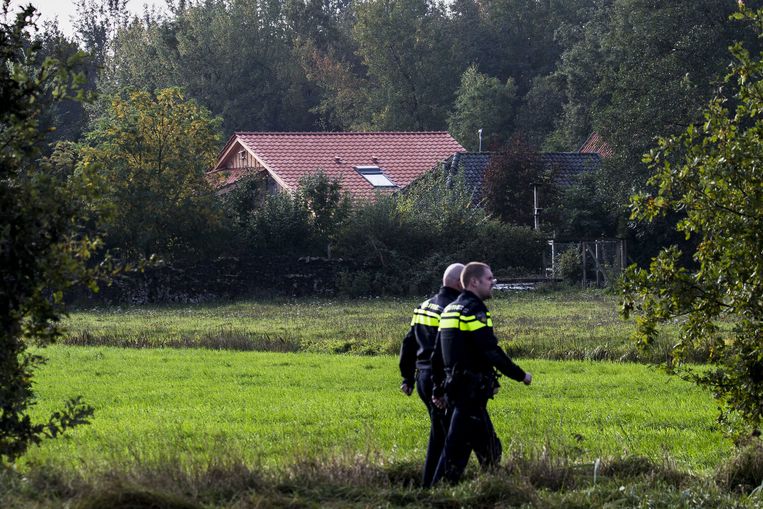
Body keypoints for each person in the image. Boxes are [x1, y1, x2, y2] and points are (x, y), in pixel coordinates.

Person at [430, 261, 532, 485]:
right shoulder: (474, 310)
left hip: (456, 389)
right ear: (474, 282)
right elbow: (490, 351)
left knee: (490, 447)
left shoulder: (449, 310)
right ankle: (439, 493)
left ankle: (495, 484)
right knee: (455, 450)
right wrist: (520, 375)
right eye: (489, 279)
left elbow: (437, 355)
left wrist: (438, 388)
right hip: (470, 392)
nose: (493, 283)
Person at [399, 263, 464, 488]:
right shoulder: (452, 309)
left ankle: (431, 484)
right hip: (440, 378)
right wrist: (443, 386)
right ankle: (437, 486)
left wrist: (407, 377)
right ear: (458, 283)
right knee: (446, 437)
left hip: (422, 378)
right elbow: (445, 351)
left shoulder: (423, 306)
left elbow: (408, 343)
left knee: (440, 433)